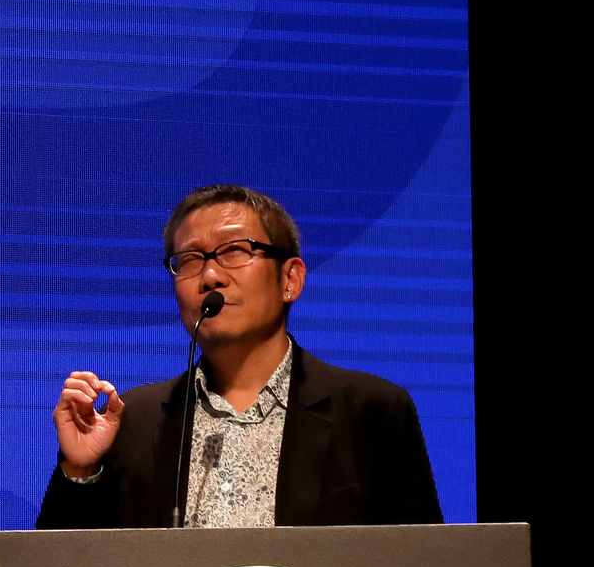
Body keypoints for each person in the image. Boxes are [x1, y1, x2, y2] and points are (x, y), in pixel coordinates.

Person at [35, 184, 442, 529]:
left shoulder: (372, 413)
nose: (210, 276)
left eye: (234, 251)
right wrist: (80, 471)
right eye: (190, 260)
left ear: (290, 279)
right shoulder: (132, 421)